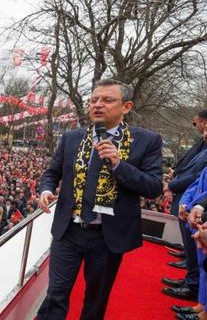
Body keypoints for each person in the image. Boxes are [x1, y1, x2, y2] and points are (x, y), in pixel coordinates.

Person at [37, 79, 163, 320]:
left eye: (107, 100)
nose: (98, 105)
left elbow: (153, 187)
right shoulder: (72, 138)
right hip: (69, 231)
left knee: (96, 300)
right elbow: (52, 173)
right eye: (94, 100)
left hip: (107, 237)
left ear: (126, 107)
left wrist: (118, 164)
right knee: (55, 294)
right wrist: (45, 190)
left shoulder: (147, 141)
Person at [163, 109, 207, 305]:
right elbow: (194, 178)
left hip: (201, 210)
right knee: (197, 258)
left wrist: (195, 204)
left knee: (202, 261)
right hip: (194, 205)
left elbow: (197, 177)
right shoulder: (204, 148)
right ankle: (197, 296)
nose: (205, 131)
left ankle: (196, 293)